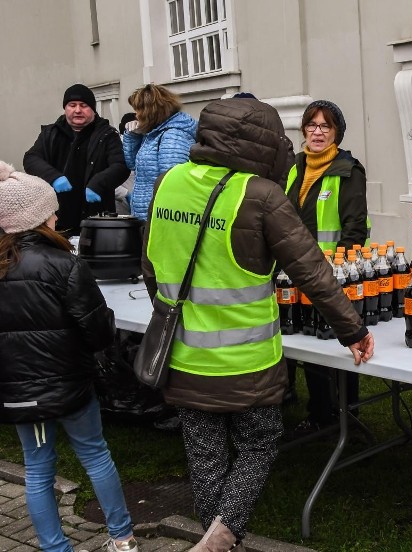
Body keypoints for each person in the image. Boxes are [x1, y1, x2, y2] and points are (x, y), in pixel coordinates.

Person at [141, 97, 374, 552]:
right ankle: (223, 535)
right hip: (248, 360)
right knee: (260, 443)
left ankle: (215, 538)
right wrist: (353, 330)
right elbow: (312, 272)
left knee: (206, 459)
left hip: (184, 356)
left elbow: (150, 264)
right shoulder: (260, 194)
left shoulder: (170, 182)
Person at [0, 161, 138, 552]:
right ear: (37, 218)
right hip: (71, 384)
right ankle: (123, 538)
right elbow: (98, 332)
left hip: (21, 390)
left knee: (38, 469)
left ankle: (55, 547)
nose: (58, 214)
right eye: (51, 209)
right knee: (95, 455)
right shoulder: (66, 265)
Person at [283, 99, 369, 437]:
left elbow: (354, 228)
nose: (318, 132)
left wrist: (341, 269)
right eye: (312, 125)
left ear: (337, 133)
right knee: (311, 343)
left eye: (326, 126)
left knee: (341, 343)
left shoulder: (348, 170)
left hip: (334, 274)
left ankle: (349, 416)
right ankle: (320, 413)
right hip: (294, 271)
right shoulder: (293, 167)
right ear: (303, 129)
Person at [23, 84, 129, 234]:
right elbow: (31, 158)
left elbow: (121, 165)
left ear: (93, 109)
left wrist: (99, 183)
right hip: (56, 219)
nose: (77, 110)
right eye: (72, 105)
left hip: (96, 219)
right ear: (65, 108)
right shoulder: (51, 133)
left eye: (83, 105)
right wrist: (53, 177)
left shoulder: (107, 135)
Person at [123, 83, 197, 219]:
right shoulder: (154, 133)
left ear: (150, 111)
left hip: (161, 217)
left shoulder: (173, 135)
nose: (136, 115)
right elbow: (133, 164)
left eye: (138, 110)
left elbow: (172, 182)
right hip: (149, 214)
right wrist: (132, 136)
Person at [115, 112, 138, 216]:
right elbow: (106, 180)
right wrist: (126, 194)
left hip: (139, 204)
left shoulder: (142, 145)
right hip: (121, 205)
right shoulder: (116, 148)